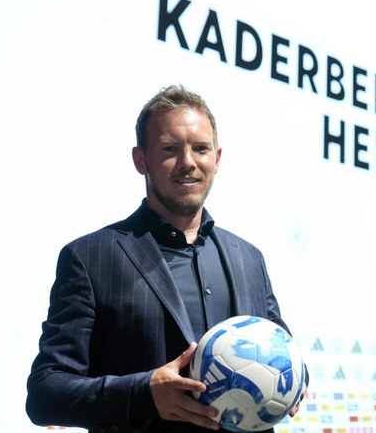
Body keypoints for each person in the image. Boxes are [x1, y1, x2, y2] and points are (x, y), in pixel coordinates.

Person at [26, 85, 306, 433]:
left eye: (201, 148)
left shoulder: (249, 258)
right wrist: (143, 394)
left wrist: (294, 379)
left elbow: (284, 350)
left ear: (217, 158)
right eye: (170, 149)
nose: (188, 162)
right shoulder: (89, 258)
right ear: (140, 160)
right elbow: (45, 393)